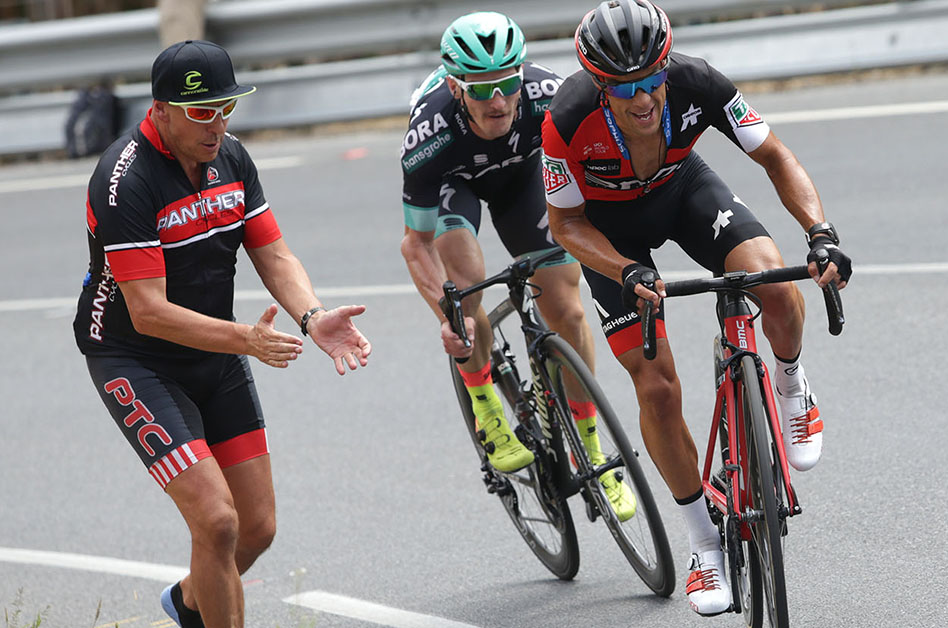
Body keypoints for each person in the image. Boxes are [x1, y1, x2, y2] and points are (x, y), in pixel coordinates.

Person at [542, 0, 853, 616]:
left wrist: (820, 232)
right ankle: (701, 540)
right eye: (624, 87)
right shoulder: (567, 119)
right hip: (610, 233)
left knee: (772, 281)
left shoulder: (699, 81)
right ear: (600, 86)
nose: (642, 98)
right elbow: (565, 225)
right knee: (655, 388)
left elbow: (776, 157)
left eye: (652, 79)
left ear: (667, 67)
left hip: (684, 191)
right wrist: (624, 270)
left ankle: (792, 389)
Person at [72, 40, 371, 628]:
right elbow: (148, 311)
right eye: (202, 111)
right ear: (160, 110)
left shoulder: (231, 157)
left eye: (225, 108)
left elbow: (274, 254)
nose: (218, 124)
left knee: (256, 528)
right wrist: (246, 340)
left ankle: (189, 604)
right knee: (217, 521)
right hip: (135, 360)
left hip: (213, 352)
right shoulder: (125, 179)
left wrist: (312, 317)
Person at [400, 13, 635, 518]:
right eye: (482, 90)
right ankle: (485, 399)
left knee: (568, 312)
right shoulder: (428, 133)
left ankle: (591, 448)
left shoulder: (549, 92)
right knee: (466, 289)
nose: (499, 101)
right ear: (455, 87)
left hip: (523, 179)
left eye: (508, 84)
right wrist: (449, 311)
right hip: (455, 186)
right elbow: (415, 245)